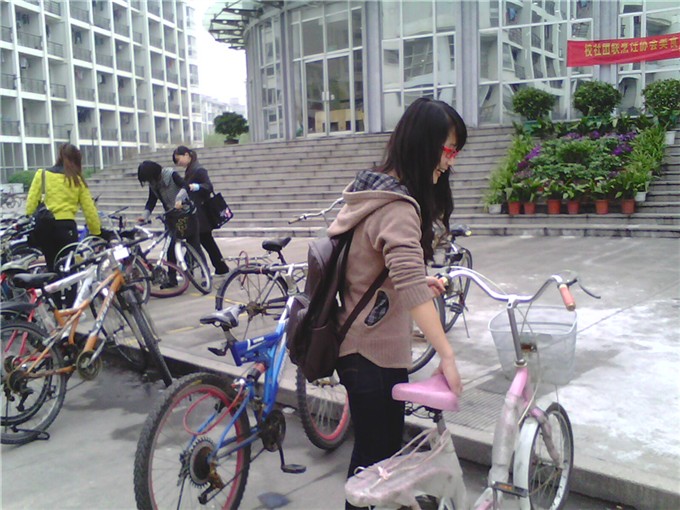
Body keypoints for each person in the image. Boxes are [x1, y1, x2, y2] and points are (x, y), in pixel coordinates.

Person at [327, 98, 466, 509]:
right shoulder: (398, 208)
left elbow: (369, 266)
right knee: (374, 467)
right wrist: (447, 355)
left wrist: (413, 279)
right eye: (449, 150)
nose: (450, 163)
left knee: (375, 462)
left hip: (358, 349)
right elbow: (408, 286)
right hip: (373, 356)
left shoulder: (372, 191)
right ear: (425, 145)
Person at [25, 143, 102, 272]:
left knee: (52, 267)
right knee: (69, 269)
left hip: (45, 227)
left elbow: (30, 204)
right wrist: (96, 232)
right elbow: (89, 209)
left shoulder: (42, 175)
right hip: (67, 229)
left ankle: (52, 284)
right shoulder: (76, 180)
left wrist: (30, 219)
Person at [136, 160, 203, 288]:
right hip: (171, 216)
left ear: (154, 173)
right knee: (170, 247)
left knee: (194, 245)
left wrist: (179, 199)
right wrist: (144, 216)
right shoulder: (153, 184)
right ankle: (172, 279)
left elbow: (185, 186)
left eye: (148, 178)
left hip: (187, 214)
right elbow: (151, 201)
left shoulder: (171, 174)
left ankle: (205, 275)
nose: (149, 182)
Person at [172, 146, 229, 275]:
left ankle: (190, 270)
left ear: (187, 155)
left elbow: (208, 186)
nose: (178, 163)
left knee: (197, 241)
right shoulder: (191, 169)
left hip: (201, 212)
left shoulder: (198, 169)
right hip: (197, 211)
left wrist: (196, 186)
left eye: (178, 159)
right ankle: (221, 268)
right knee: (205, 241)